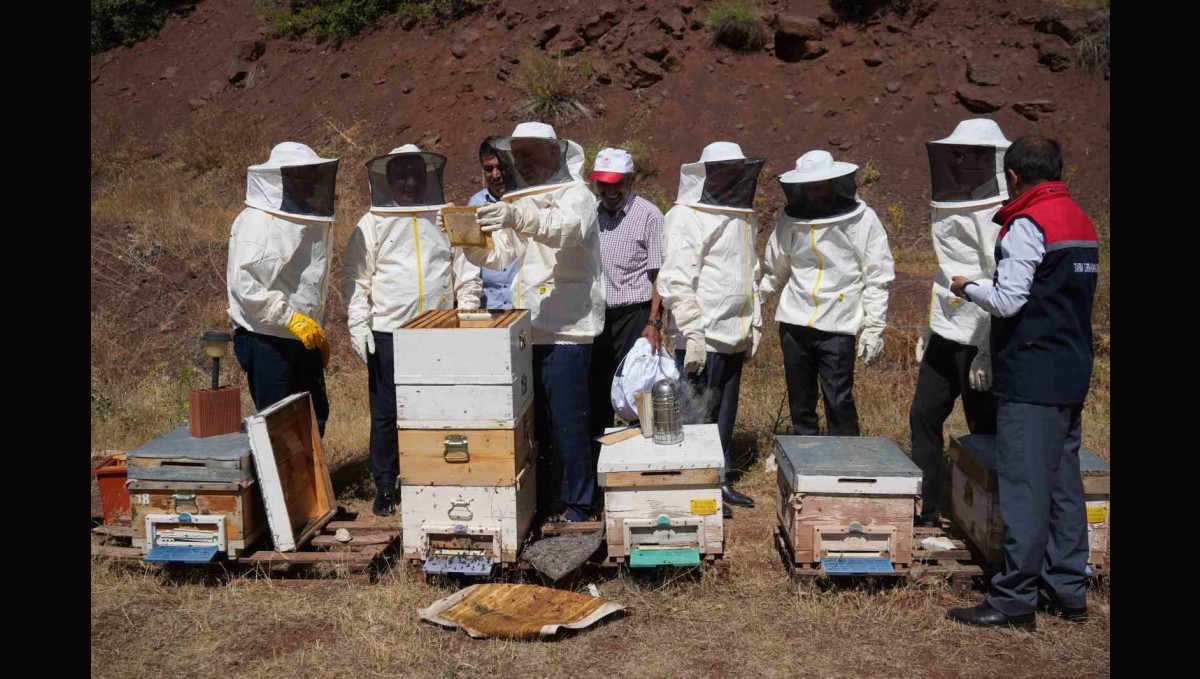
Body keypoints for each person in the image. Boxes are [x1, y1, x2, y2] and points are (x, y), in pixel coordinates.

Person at [946, 136, 1099, 630]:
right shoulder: (1080, 220)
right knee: (1063, 485)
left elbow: (1010, 299)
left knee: (1025, 487)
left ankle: (1013, 599)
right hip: (1071, 371)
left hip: (1031, 375)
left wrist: (966, 287)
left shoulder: (1026, 224)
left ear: (1012, 177)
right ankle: (1067, 590)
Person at [464, 121, 605, 523]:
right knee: (534, 424)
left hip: (568, 329)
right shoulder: (518, 199)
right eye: (518, 153)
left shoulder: (576, 196)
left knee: (569, 422)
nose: (523, 160)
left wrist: (515, 215)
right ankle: (545, 501)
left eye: (530, 152)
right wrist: (469, 241)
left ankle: (579, 503)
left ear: (554, 154)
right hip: (529, 327)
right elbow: (500, 257)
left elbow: (565, 230)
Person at [342, 144, 455, 516]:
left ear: (428, 177)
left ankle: (433, 475)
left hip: (439, 328)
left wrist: (465, 311)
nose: (410, 181)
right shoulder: (371, 222)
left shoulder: (446, 215)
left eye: (416, 174)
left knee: (438, 408)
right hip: (390, 331)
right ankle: (387, 485)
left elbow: (464, 265)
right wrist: (358, 323)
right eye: (401, 175)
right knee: (387, 414)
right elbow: (356, 278)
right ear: (388, 180)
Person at [909, 119, 1009, 526]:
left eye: (973, 153)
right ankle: (927, 509)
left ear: (992, 159)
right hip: (947, 332)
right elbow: (946, 272)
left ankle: (989, 518)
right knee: (923, 416)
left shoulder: (1003, 214)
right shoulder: (953, 204)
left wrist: (986, 350)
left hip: (980, 337)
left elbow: (1001, 282)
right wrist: (929, 328)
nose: (963, 160)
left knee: (983, 426)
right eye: (959, 153)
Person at [657, 141, 764, 517]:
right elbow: (674, 280)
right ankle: (694, 488)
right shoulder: (684, 216)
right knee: (697, 417)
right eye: (722, 171)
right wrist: (694, 334)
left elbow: (750, 274)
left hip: (733, 334)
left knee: (723, 416)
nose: (730, 178)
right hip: (702, 336)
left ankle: (719, 481)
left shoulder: (741, 216)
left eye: (735, 171)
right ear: (706, 175)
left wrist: (754, 325)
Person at [759, 150, 894, 440]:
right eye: (809, 187)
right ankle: (805, 461)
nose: (815, 192)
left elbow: (877, 275)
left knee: (838, 399)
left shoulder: (862, 220)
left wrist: (874, 328)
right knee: (800, 400)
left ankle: (846, 462)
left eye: (820, 185)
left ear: (835, 183)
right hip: (794, 322)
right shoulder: (791, 220)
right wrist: (756, 302)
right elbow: (776, 268)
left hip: (838, 323)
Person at [227, 142, 337, 436]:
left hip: (302, 336)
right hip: (267, 340)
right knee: (279, 428)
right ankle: (278, 484)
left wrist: (310, 326)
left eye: (312, 176)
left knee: (314, 421)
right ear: (281, 179)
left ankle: (310, 483)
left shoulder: (310, 219)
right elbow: (246, 287)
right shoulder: (259, 222)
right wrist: (290, 319)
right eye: (300, 176)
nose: (309, 183)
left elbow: (308, 282)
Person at [587, 148, 666, 447]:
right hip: (597, 316)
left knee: (638, 390)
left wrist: (654, 323)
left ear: (631, 180)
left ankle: (644, 458)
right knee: (598, 392)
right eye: (603, 184)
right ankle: (601, 464)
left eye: (616, 183)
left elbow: (659, 274)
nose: (609, 191)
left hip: (635, 315)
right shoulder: (591, 214)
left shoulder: (649, 216)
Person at [454, 136, 517, 310]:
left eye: (501, 167)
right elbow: (467, 265)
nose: (496, 175)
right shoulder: (474, 204)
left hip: (526, 307)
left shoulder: (526, 200)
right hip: (489, 309)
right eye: (489, 169)